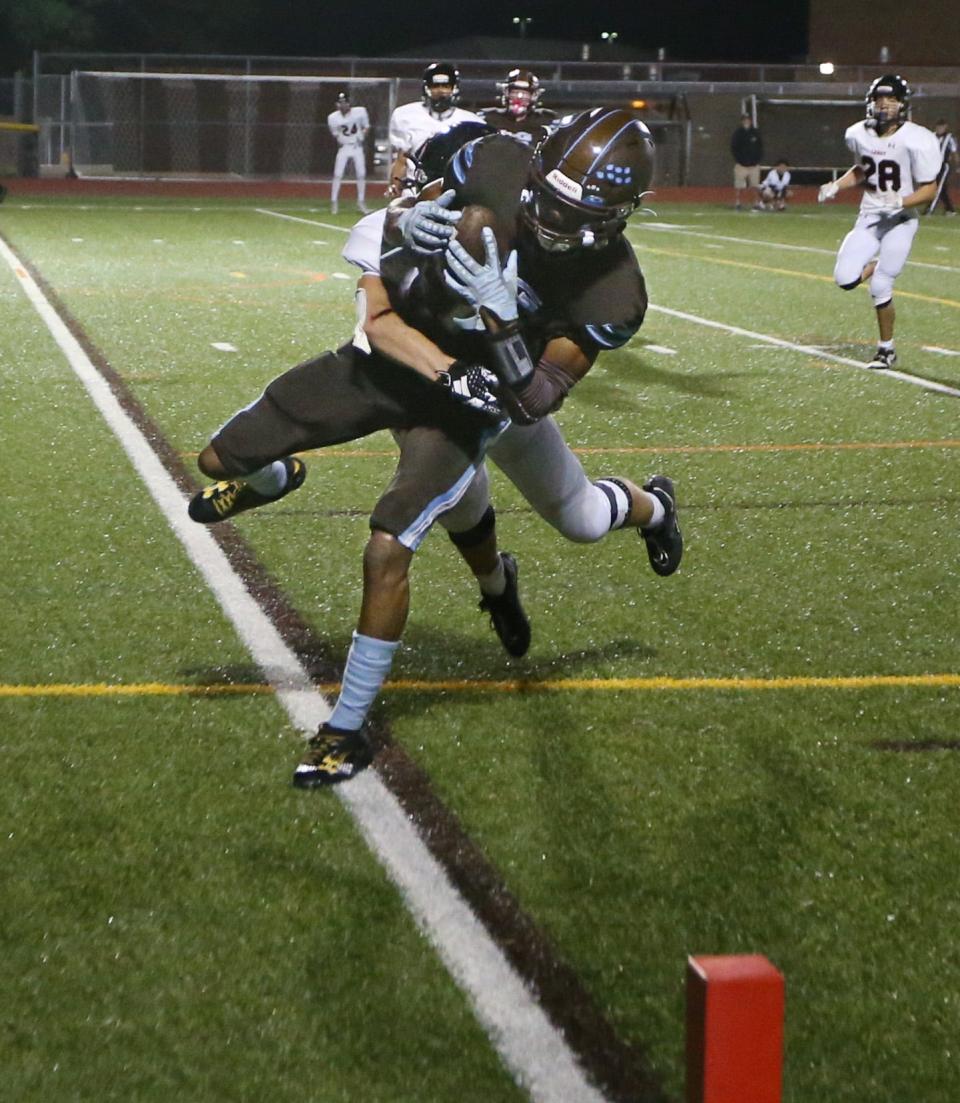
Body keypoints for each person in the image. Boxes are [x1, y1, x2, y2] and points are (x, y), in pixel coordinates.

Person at [187, 108, 681, 790]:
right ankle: (280, 478)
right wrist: (402, 224)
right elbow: (399, 250)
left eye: (575, 213)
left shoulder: (614, 293)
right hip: (408, 368)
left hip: (485, 401)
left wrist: (502, 320)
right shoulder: (495, 165)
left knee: (565, 520)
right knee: (218, 459)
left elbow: (531, 401)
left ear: (618, 217)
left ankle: (347, 726)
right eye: (546, 196)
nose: (548, 218)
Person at [818, 74, 940, 370]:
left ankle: (886, 349)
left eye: (892, 99)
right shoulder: (858, 134)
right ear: (870, 103)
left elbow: (929, 188)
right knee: (844, 279)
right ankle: (876, 264)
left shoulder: (917, 138)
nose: (884, 104)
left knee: (881, 285)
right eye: (879, 98)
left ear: (903, 104)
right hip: (870, 217)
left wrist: (900, 201)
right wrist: (837, 185)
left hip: (900, 219)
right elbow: (863, 169)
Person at [386, 62, 484, 197]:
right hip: (415, 189)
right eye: (435, 86)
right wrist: (395, 185)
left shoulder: (472, 121)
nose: (441, 91)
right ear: (426, 88)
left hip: (455, 191)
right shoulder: (406, 116)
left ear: (454, 88)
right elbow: (401, 160)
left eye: (446, 86)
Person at [479, 68, 556, 146]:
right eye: (515, 92)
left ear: (534, 96)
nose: (519, 97)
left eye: (525, 93)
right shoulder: (487, 117)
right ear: (506, 92)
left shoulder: (546, 119)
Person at [327, 92, 370, 215]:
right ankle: (334, 201)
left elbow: (366, 126)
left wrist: (362, 136)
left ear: (349, 103)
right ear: (337, 104)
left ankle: (361, 201)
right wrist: (342, 140)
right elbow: (335, 134)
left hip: (357, 146)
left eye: (345, 102)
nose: (343, 105)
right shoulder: (333, 118)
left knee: (361, 174)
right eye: (340, 102)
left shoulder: (360, 112)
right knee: (338, 174)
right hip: (344, 147)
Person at [731, 113, 763, 210]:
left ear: (751, 121)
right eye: (744, 119)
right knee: (739, 185)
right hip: (741, 165)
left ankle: (755, 203)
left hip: (754, 165)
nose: (746, 121)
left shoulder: (756, 133)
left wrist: (756, 161)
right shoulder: (737, 133)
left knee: (754, 185)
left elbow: (760, 148)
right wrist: (740, 161)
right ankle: (738, 202)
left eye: (748, 119)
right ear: (742, 121)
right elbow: (734, 148)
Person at [927, 118, 957, 216]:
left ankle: (929, 209)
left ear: (945, 127)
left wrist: (957, 164)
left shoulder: (949, 138)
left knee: (938, 187)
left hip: (943, 165)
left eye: (942, 127)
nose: (940, 129)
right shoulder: (932, 136)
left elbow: (954, 152)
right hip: (932, 165)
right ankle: (950, 210)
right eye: (938, 127)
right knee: (940, 188)